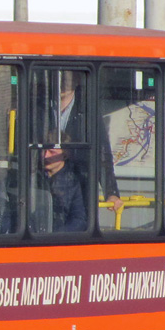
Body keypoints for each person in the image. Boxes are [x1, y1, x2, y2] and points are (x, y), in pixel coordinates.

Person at [58, 71, 123, 212]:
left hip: (78, 187)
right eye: (59, 74)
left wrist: (110, 192)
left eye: (67, 76)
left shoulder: (88, 112)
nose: (63, 80)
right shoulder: (39, 108)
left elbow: (102, 152)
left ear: (76, 80)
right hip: (44, 188)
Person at [36, 134, 86, 233]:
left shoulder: (74, 182)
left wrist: (56, 236)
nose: (45, 156)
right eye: (44, 150)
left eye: (52, 151)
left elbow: (79, 220)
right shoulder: (33, 176)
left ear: (65, 154)